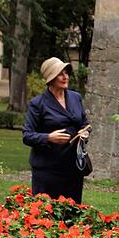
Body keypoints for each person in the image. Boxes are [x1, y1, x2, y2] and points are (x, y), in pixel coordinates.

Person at [22, 57, 90, 204]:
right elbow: (27, 136)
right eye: (60, 74)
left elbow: (84, 122)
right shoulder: (37, 104)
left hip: (73, 168)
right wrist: (48, 137)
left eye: (66, 73)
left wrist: (84, 133)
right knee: (47, 215)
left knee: (72, 214)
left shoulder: (75, 97)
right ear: (51, 78)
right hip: (48, 170)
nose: (65, 77)